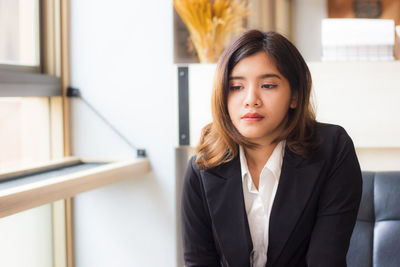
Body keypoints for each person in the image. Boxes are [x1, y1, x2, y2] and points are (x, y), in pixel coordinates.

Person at [181, 30, 362, 267]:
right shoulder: (201, 169)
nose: (250, 99)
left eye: (267, 85)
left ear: (295, 95)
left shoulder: (333, 148)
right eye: (236, 87)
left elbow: (325, 260)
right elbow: (199, 261)